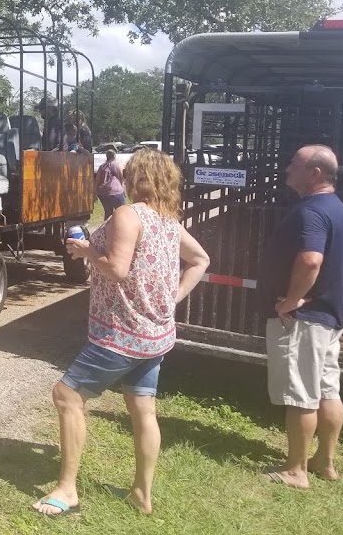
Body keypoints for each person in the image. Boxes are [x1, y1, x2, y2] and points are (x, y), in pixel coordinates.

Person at [32, 150, 210, 517]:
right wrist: (169, 298)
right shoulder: (168, 221)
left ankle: (67, 491)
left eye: (127, 174)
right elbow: (201, 260)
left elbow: (116, 269)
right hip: (156, 335)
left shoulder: (127, 215)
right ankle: (141, 495)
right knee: (143, 409)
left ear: (137, 178)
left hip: (120, 334)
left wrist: (85, 251)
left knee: (66, 396)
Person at [252, 144, 343, 488]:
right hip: (328, 317)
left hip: (303, 320)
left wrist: (290, 301)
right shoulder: (339, 209)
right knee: (327, 390)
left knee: (301, 394)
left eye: (294, 164)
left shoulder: (311, 211)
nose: (286, 169)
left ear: (315, 173)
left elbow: (311, 260)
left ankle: (296, 470)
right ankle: (325, 460)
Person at [95, 148, 126, 218]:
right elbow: (121, 178)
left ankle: (107, 228)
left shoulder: (102, 166)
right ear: (114, 156)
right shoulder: (116, 165)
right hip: (115, 191)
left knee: (108, 212)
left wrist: (95, 191)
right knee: (122, 211)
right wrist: (123, 190)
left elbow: (97, 180)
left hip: (102, 192)